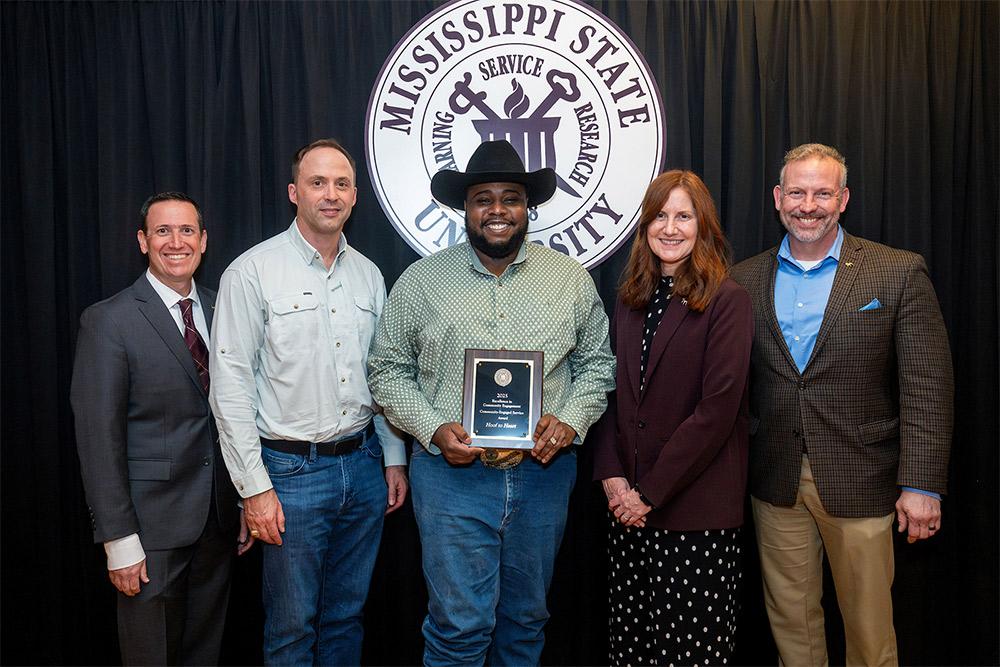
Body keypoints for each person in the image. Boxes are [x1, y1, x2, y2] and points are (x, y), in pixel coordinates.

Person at [367, 140, 616, 666]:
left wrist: (570, 421)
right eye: (483, 198)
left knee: (526, 624)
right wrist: (433, 428)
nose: (497, 211)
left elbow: (598, 366)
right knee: (458, 628)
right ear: (466, 208)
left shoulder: (569, 280)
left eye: (510, 198)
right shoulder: (421, 281)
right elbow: (386, 370)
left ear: (529, 208)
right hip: (451, 480)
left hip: (543, 477)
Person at [730, 143, 953, 666]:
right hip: (774, 479)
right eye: (799, 193)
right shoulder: (742, 279)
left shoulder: (896, 272)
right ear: (778, 199)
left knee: (870, 634)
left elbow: (926, 385)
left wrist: (921, 485)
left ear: (844, 198)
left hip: (863, 479)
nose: (810, 205)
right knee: (791, 625)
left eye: (823, 193)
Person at [209, 139, 408, 665]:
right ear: (294, 192)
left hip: (363, 469)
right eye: (318, 183)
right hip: (289, 474)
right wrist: (254, 490)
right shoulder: (251, 272)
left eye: (342, 184)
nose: (331, 194)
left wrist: (392, 457)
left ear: (356, 196)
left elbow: (381, 374)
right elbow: (229, 387)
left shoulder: (369, 275)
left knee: (346, 619)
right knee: (292, 630)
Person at [71, 192, 245, 665]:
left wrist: (247, 496)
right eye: (163, 231)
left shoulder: (222, 308)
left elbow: (237, 412)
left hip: (217, 518)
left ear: (204, 241)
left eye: (187, 230)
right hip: (149, 532)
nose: (176, 242)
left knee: (204, 651)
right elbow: (97, 439)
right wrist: (119, 541)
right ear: (143, 241)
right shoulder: (109, 321)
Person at [590, 170, 753, 666]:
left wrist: (648, 494)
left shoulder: (728, 300)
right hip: (630, 517)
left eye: (684, 216)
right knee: (633, 650)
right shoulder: (630, 299)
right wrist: (613, 477)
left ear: (703, 225)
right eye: (660, 215)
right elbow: (609, 393)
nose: (671, 227)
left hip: (694, 516)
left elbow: (717, 411)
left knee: (688, 655)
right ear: (644, 226)